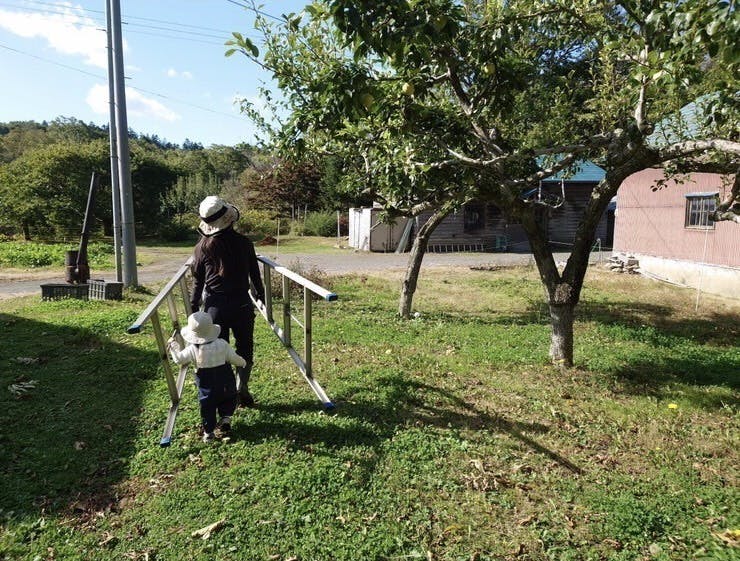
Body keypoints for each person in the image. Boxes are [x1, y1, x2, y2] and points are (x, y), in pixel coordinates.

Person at [190, 195, 265, 408]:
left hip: (215, 307)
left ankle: (226, 391)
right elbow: (255, 275)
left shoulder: (202, 247)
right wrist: (261, 296)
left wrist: (194, 307)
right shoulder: (244, 243)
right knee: (245, 348)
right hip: (241, 304)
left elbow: (198, 282)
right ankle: (243, 388)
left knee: (217, 351)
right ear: (230, 219)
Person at [167, 311, 245, 442]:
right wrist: (242, 362)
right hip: (225, 379)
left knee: (207, 406)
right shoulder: (222, 343)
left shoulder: (193, 348)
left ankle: (209, 433)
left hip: (206, 384)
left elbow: (179, 359)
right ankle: (226, 418)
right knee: (228, 397)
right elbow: (234, 358)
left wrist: (173, 346)